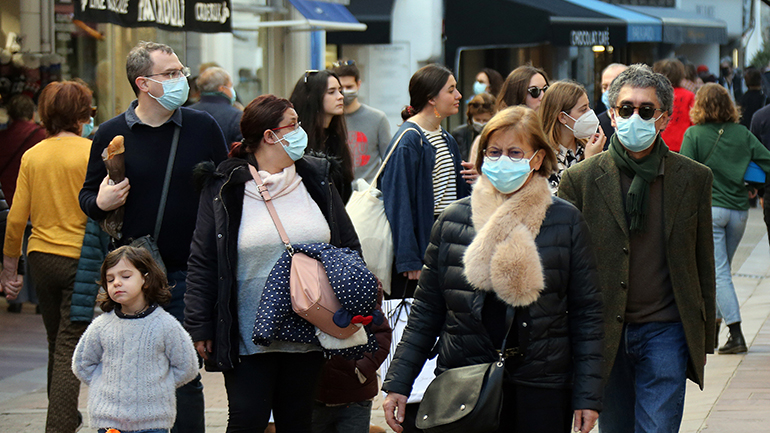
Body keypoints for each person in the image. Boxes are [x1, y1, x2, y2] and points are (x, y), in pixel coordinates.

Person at [382, 105, 604, 433]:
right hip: (465, 381)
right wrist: (399, 382)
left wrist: (588, 395)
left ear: (538, 159)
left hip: (541, 384)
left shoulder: (565, 220)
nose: (503, 160)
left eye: (515, 152)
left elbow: (587, 314)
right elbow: (427, 310)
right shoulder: (454, 220)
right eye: (495, 151)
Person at [184, 94, 362, 432]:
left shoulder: (315, 178)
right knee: (247, 419)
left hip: (311, 323)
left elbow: (348, 244)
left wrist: (354, 294)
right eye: (292, 124)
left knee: (297, 420)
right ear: (269, 135)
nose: (300, 131)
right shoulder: (226, 186)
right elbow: (204, 259)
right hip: (247, 334)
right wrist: (200, 325)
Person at [79, 41, 228, 433]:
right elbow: (87, 197)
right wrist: (102, 200)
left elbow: (223, 188)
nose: (183, 79)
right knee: (131, 373)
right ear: (143, 83)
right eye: (171, 74)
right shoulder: (112, 134)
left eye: (182, 71)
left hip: (189, 273)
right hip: (135, 274)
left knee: (185, 375)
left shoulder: (202, 127)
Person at [558, 64, 716, 433]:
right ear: (612, 115)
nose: (635, 117)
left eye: (646, 111)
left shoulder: (693, 178)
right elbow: (563, 266)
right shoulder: (580, 179)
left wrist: (704, 335)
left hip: (666, 331)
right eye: (626, 109)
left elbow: (702, 259)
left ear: (663, 118)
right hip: (604, 333)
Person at [0, 80, 93, 433]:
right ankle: (60, 424)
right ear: (82, 113)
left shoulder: (33, 155)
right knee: (70, 344)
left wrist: (11, 269)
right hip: (80, 259)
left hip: (41, 256)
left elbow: (16, 218)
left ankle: (65, 413)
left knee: (57, 340)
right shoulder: (90, 152)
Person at [680, 83, 770, 354]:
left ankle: (736, 331)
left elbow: (684, 175)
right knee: (720, 271)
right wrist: (752, 182)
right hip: (739, 210)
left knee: (717, 272)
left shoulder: (693, 135)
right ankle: (717, 326)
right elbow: (767, 161)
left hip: (709, 209)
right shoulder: (742, 133)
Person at [72, 246, 198, 433]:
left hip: (153, 423)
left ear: (145, 280)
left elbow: (187, 366)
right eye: (110, 279)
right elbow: (82, 363)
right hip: (109, 422)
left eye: (125, 276)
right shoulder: (101, 326)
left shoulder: (165, 324)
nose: (116, 283)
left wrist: (160, 385)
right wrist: (103, 383)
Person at [380, 64, 471, 299]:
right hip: (423, 248)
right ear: (431, 98)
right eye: (451, 90)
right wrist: (409, 258)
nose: (458, 96)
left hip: (448, 242)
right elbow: (398, 203)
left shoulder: (446, 138)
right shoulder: (409, 139)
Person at [312, 286, 392, 433]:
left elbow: (381, 334)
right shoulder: (306, 284)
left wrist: (361, 368)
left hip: (356, 396)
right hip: (314, 395)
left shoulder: (361, 285)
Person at [0, 93, 45, 313]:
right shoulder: (41, 136)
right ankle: (38, 301)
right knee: (35, 251)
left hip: (8, 201)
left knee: (15, 248)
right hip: (35, 203)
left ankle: (14, 298)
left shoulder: (3, 136)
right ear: (32, 112)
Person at [290, 70, 354, 202]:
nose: (340, 96)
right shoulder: (296, 140)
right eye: (331, 92)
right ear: (312, 97)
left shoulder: (335, 138)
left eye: (340, 90)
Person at [538, 80, 605, 193]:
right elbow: (564, 205)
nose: (590, 113)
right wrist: (589, 163)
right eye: (583, 109)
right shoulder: (543, 160)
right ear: (563, 117)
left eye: (589, 107)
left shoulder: (587, 147)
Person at [331, 60, 392, 185]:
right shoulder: (329, 120)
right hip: (338, 194)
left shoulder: (377, 118)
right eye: (340, 88)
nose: (345, 92)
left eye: (349, 87)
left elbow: (389, 161)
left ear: (358, 84)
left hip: (368, 197)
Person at [189, 66, 243, 146]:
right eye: (230, 85)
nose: (232, 89)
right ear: (222, 88)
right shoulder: (236, 116)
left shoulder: (187, 112)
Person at [653, 58, 694, 152]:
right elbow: (694, 121)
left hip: (659, 144)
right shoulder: (689, 96)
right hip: (683, 145)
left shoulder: (655, 95)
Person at [451, 92, 495, 160]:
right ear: (471, 117)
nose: (481, 123)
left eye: (485, 120)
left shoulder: (498, 136)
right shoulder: (459, 134)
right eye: (477, 120)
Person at [598, 64, 628, 142]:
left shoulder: (640, 120)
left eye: (613, 86)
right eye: (604, 87)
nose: (608, 91)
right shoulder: (596, 125)